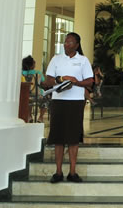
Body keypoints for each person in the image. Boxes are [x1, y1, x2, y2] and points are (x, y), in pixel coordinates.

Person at [42, 32, 94, 184]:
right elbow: (48, 81)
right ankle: (58, 172)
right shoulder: (56, 59)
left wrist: (75, 82)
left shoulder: (83, 60)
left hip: (76, 102)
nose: (66, 44)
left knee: (73, 139)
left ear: (77, 45)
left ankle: (72, 172)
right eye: (65, 42)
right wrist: (61, 79)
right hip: (58, 102)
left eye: (70, 42)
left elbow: (90, 81)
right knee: (58, 138)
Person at [21, 55, 46, 123]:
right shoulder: (38, 73)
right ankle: (40, 117)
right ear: (32, 65)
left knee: (29, 101)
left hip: (25, 95)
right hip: (38, 95)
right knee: (44, 99)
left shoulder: (21, 73)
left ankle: (29, 116)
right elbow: (43, 83)